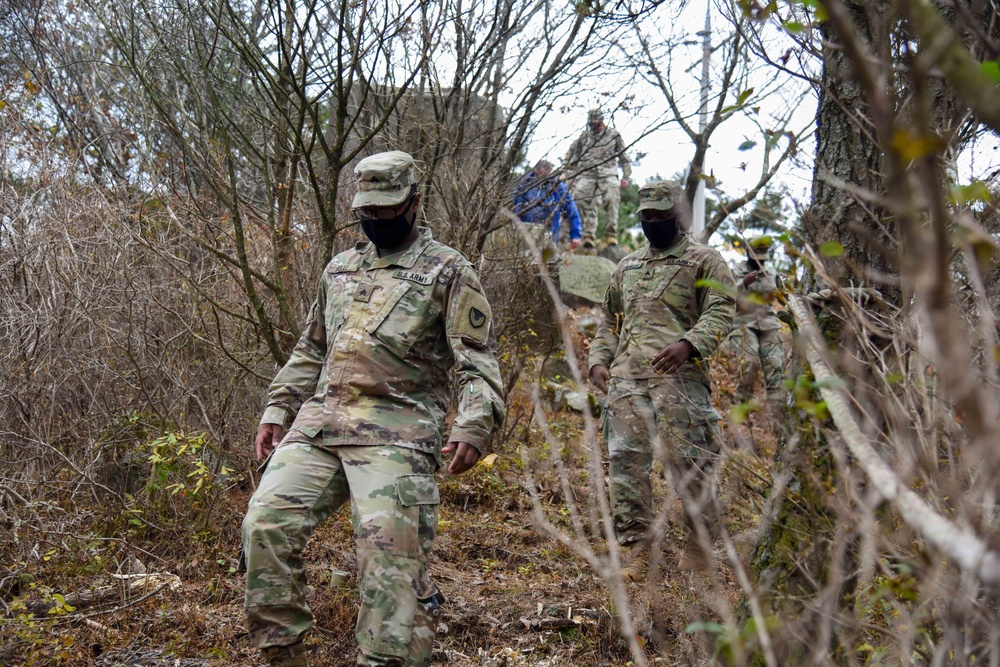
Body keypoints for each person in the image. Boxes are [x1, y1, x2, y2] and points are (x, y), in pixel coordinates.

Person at [242, 151, 506, 667]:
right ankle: (282, 654)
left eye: (388, 210)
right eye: (368, 211)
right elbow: (311, 348)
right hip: (321, 425)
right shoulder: (340, 268)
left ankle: (388, 658)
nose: (377, 220)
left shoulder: (448, 270)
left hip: (396, 430)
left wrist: (475, 423)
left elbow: (475, 360)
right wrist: (278, 407)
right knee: (264, 527)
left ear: (414, 201)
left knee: (388, 563)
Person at [588, 180, 735, 580]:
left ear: (677, 216)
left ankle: (699, 546)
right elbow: (609, 322)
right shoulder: (628, 266)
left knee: (691, 465)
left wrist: (688, 344)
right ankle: (637, 551)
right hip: (626, 382)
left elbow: (721, 310)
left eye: (660, 215)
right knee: (625, 466)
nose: (653, 222)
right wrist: (599, 360)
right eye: (646, 216)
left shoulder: (706, 261)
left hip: (680, 381)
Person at [564, 109, 632, 250]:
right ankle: (584, 236)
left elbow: (623, 156)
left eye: (596, 124)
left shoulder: (613, 135)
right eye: (591, 124)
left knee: (612, 199)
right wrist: (570, 173)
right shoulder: (584, 136)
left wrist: (626, 176)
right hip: (586, 173)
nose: (594, 126)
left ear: (601, 122)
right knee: (578, 199)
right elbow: (570, 154)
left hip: (608, 173)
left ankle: (611, 235)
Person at [729, 236, 785, 403]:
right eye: (755, 258)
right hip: (743, 323)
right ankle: (742, 408)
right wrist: (743, 283)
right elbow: (726, 296)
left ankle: (778, 412)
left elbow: (783, 296)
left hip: (768, 323)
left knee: (775, 366)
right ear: (747, 253)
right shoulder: (735, 272)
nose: (758, 262)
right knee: (749, 364)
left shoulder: (772, 271)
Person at [511, 159, 583, 250]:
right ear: (536, 171)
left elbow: (571, 211)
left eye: (547, 175)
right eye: (542, 175)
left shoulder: (558, 187)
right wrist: (514, 228)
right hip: (525, 232)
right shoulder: (523, 184)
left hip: (550, 234)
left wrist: (575, 235)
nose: (545, 178)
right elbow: (515, 208)